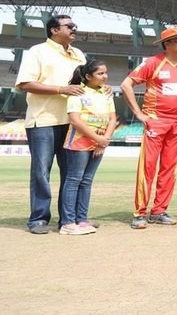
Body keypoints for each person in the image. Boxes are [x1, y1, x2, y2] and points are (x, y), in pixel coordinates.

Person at [120, 26, 177, 229]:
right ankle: (140, 213)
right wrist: (139, 114)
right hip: (156, 121)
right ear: (167, 44)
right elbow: (126, 85)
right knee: (147, 168)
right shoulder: (153, 63)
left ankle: (158, 211)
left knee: (169, 169)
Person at [15, 15, 86, 234]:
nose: (74, 29)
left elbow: (86, 83)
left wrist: (103, 89)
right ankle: (38, 219)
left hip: (72, 121)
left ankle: (68, 219)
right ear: (54, 30)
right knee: (41, 173)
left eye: (75, 25)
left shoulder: (78, 54)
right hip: (43, 120)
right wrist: (61, 89)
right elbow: (25, 83)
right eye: (70, 26)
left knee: (71, 174)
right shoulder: (38, 51)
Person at [60, 59, 117, 235]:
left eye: (105, 72)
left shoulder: (107, 93)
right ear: (87, 76)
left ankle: (82, 219)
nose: (105, 76)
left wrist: (104, 139)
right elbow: (75, 120)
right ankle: (68, 223)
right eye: (100, 73)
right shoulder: (77, 93)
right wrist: (97, 139)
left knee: (86, 181)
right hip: (79, 141)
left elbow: (113, 118)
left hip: (99, 142)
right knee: (74, 180)